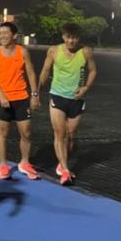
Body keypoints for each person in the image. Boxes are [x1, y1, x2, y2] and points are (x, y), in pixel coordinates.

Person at [38, 22, 98, 186]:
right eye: (68, 37)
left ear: (79, 38)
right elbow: (45, 71)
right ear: (63, 37)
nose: (71, 41)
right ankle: (65, 170)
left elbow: (93, 71)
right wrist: (37, 92)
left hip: (76, 100)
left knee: (71, 136)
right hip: (57, 96)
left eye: (75, 38)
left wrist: (85, 88)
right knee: (60, 133)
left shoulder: (85, 52)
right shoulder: (54, 51)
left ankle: (62, 162)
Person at [0, 21, 40, 180]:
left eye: (6, 33)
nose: (2, 36)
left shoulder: (22, 51)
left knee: (26, 133)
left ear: (14, 35)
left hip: (21, 98)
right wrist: (2, 95)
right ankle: (3, 165)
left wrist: (35, 94)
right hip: (2, 99)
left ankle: (24, 163)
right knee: (3, 132)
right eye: (0, 33)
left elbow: (31, 73)